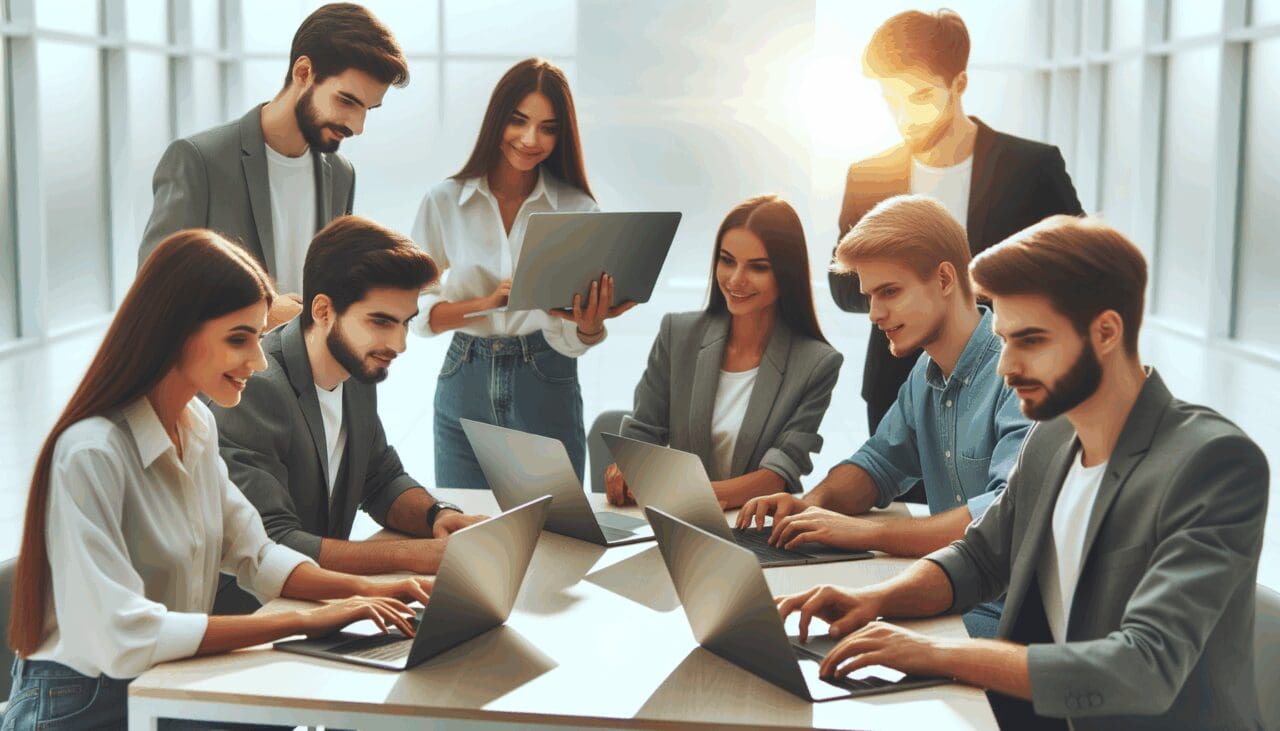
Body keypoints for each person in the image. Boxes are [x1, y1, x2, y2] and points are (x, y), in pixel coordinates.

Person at [777, 216, 1268, 731]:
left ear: (1105, 332)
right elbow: (979, 558)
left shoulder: (1214, 463)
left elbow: (1143, 667)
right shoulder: (1053, 437)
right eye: (1004, 340)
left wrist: (935, 653)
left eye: (1030, 341)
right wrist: (872, 600)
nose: (1006, 367)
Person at [1, 231, 433, 729]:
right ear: (175, 331)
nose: (260, 360)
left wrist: (370, 591)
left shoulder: (196, 426)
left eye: (257, 335)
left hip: (168, 680)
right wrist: (299, 619)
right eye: (238, 338)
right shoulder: (91, 453)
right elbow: (125, 634)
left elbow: (257, 553)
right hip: (83, 705)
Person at [738, 195, 1030, 638]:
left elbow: (996, 518)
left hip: (1006, 621)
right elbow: (877, 464)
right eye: (870, 295)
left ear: (946, 279)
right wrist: (809, 507)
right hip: (946, 598)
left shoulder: (1020, 374)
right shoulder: (923, 376)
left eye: (889, 292)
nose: (875, 313)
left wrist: (860, 533)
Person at [209, 215, 487, 615]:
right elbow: (274, 542)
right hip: (247, 619)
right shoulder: (256, 389)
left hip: (316, 608)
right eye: (381, 321)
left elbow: (381, 478)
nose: (400, 343)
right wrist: (416, 555)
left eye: (406, 323)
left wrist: (436, 516)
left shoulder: (356, 372)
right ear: (323, 310)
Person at [830, 8, 1082, 441]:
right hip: (895, 388)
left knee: (996, 508)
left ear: (959, 84)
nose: (907, 116)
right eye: (893, 100)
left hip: (1006, 385)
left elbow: (1079, 271)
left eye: (922, 97)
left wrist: (967, 286)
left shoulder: (1031, 168)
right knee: (899, 509)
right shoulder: (867, 175)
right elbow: (842, 287)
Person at [412, 58, 633, 490]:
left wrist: (589, 327)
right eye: (518, 121)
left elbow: (573, 339)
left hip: (546, 376)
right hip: (465, 377)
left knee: (556, 533)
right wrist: (487, 303)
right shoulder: (444, 201)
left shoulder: (578, 210)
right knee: (466, 530)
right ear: (497, 120)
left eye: (548, 128)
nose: (531, 140)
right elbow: (414, 311)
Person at [139, 2, 408, 327]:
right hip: (229, 375)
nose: (357, 126)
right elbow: (155, 293)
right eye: (346, 101)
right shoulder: (199, 161)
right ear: (304, 73)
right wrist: (263, 315)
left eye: (369, 109)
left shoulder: (341, 174)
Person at [604, 196, 842, 510]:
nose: (735, 279)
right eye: (727, 260)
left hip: (752, 525)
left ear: (787, 274)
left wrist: (681, 495)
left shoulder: (817, 364)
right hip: (668, 521)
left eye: (758, 267)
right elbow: (643, 432)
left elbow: (776, 475)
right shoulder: (678, 334)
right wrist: (628, 466)